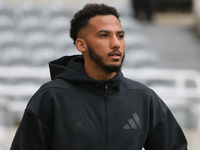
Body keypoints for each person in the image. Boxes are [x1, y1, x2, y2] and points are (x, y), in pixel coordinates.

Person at [10, 3, 187, 150]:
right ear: (81, 45)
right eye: (104, 35)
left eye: (120, 36)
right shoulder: (51, 97)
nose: (116, 43)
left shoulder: (143, 98)